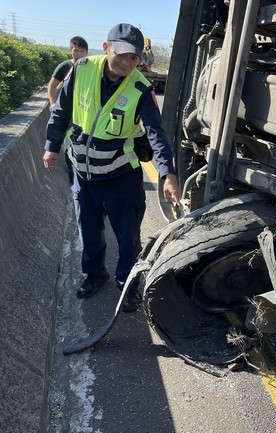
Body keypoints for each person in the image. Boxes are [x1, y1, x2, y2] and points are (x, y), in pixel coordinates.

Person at [42, 23, 181, 312]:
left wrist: (167, 173)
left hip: (122, 177)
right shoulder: (81, 70)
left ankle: (127, 284)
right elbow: (62, 111)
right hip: (84, 174)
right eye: (123, 54)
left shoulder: (141, 87)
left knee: (127, 235)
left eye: (134, 58)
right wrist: (52, 146)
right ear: (107, 48)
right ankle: (95, 275)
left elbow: (155, 132)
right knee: (89, 230)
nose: (128, 63)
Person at [47, 36, 89, 111]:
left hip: (86, 107)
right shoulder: (64, 66)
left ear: (86, 53)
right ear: (70, 51)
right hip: (67, 107)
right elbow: (52, 85)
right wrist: (52, 103)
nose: (78, 54)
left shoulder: (93, 67)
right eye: (75, 51)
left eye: (82, 51)